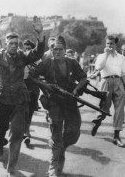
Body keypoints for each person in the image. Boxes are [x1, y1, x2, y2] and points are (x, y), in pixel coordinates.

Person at [0, 12, 45, 177]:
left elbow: (38, 53)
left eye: (17, 43)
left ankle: (11, 167)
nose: (14, 45)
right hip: (2, 97)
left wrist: (39, 33)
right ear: (6, 43)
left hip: (19, 98)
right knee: (1, 127)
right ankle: (0, 146)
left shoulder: (22, 57)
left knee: (17, 133)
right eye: (11, 42)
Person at [30, 35, 87, 177]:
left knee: (74, 133)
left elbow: (84, 77)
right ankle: (53, 169)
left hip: (70, 102)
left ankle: (60, 148)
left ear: (65, 50)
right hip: (54, 103)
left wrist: (77, 89)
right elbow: (32, 77)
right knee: (56, 137)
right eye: (54, 49)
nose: (57, 52)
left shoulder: (72, 62)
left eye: (60, 49)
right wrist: (45, 86)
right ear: (51, 50)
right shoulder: (46, 63)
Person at [95, 35, 125, 147]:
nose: (109, 46)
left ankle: (116, 136)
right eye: (107, 43)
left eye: (111, 44)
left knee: (120, 109)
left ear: (116, 45)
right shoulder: (101, 56)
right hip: (106, 82)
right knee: (104, 107)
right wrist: (106, 54)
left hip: (118, 82)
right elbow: (98, 68)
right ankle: (98, 121)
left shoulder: (121, 58)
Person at [23, 39, 41, 147]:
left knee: (29, 111)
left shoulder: (38, 61)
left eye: (29, 49)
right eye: (25, 49)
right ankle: (24, 131)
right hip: (20, 85)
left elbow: (40, 75)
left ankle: (27, 131)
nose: (27, 51)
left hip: (32, 86)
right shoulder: (19, 58)